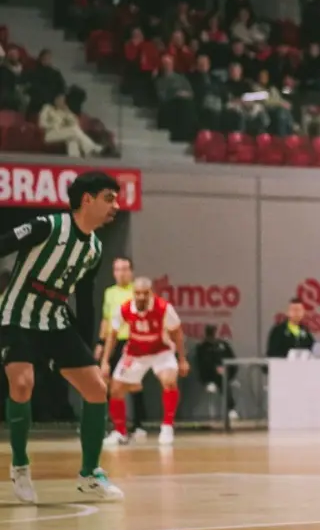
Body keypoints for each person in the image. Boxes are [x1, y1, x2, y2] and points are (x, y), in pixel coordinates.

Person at [1, 172, 124, 504]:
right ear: (87, 200)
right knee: (23, 383)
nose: (116, 206)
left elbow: (84, 300)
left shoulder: (95, 249)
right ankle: (21, 465)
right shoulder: (47, 226)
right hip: (17, 317)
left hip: (55, 322)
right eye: (109, 198)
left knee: (97, 389)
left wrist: (88, 347)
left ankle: (89, 475)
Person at [100, 277, 188, 446]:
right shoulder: (125, 308)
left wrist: (182, 359)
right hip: (136, 352)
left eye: (144, 293)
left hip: (160, 351)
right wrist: (105, 361)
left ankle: (167, 426)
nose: (141, 297)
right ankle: (120, 432)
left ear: (151, 293)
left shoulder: (163, 308)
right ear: (134, 294)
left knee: (169, 381)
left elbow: (177, 332)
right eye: (137, 293)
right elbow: (112, 334)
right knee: (116, 389)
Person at [97, 256, 149, 441]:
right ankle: (116, 426)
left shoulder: (138, 292)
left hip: (133, 341)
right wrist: (100, 343)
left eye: (125, 269)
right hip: (114, 341)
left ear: (131, 271)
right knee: (109, 383)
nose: (121, 273)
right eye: (117, 269)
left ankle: (138, 425)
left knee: (133, 384)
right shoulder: (109, 293)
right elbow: (106, 319)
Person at [194, 324, 238, 420]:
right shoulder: (202, 347)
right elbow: (201, 365)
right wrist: (214, 369)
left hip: (224, 374)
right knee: (221, 378)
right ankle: (230, 408)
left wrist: (227, 371)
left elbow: (232, 360)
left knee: (224, 380)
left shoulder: (223, 345)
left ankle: (231, 409)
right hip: (209, 376)